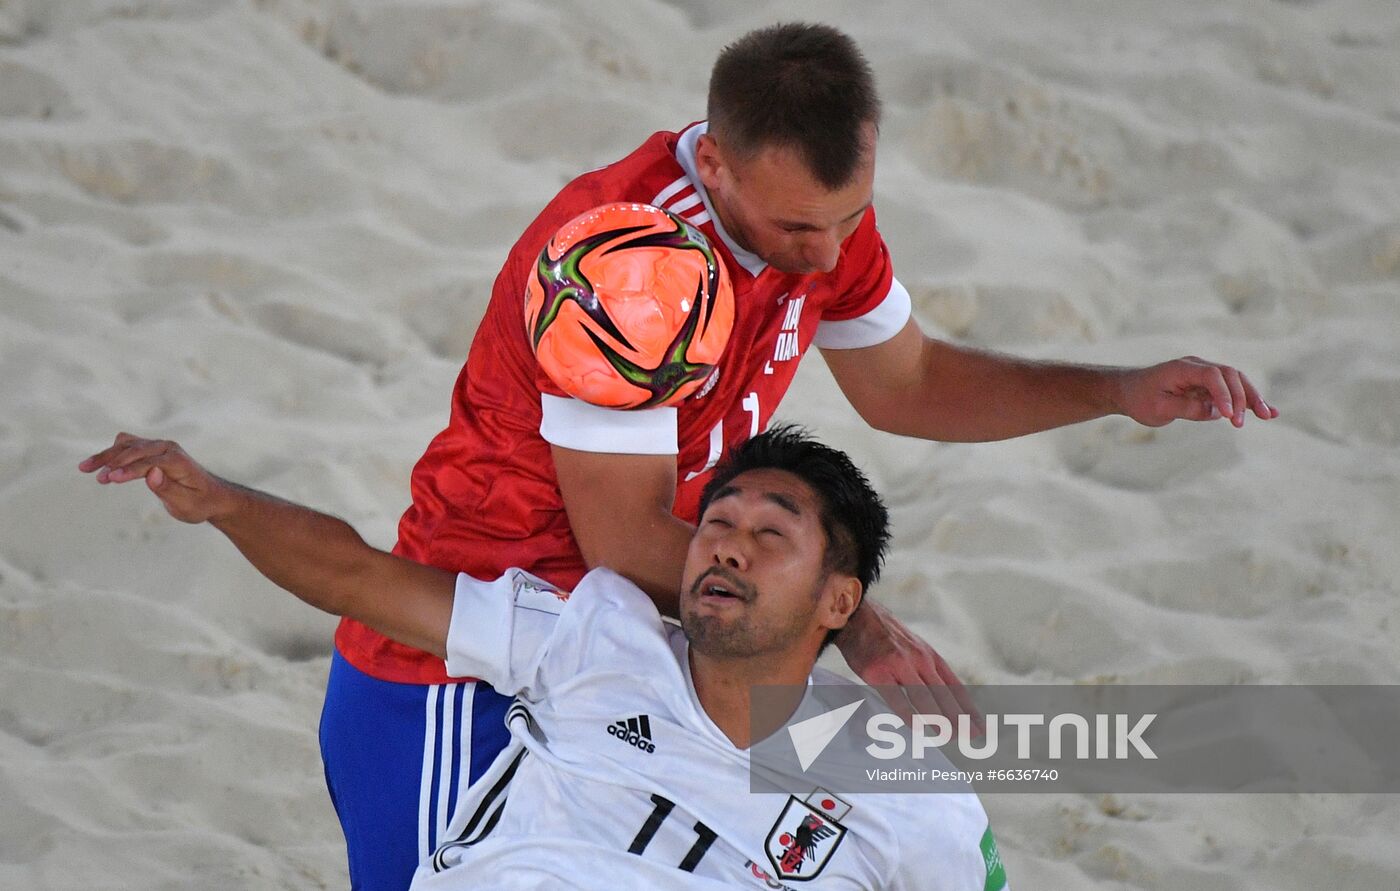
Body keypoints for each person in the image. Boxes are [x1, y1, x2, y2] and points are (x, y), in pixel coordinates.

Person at [150, 20, 1275, 890]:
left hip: (657, 650)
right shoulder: (624, 263)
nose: (826, 255)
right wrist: (852, 624)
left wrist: (1112, 392)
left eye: (851, 217)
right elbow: (624, 537)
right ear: (719, 167)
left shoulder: (812, 211)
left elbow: (909, 383)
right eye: (799, 231)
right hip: (476, 671)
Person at [80, 427, 1009, 890]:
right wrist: (224, 503)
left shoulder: (905, 790)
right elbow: (359, 578)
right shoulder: (593, 636)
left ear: (840, 602)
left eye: (771, 534)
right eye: (716, 522)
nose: (728, 546)